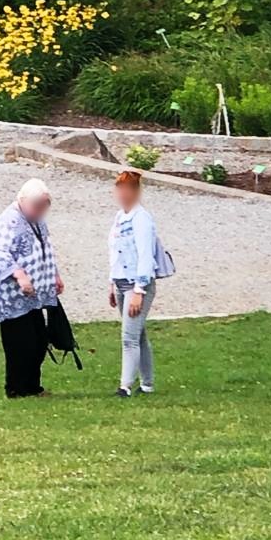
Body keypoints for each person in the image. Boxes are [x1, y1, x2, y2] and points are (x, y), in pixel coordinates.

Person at [0, 179, 64, 398]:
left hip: (32, 295)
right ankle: (16, 388)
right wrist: (19, 275)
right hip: (11, 294)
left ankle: (32, 386)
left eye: (44, 206)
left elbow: (45, 248)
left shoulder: (36, 220)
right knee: (20, 343)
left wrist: (54, 275)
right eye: (37, 205)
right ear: (22, 200)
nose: (40, 210)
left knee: (38, 341)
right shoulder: (9, 221)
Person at [108, 170, 157, 398]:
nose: (123, 194)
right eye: (120, 189)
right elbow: (115, 252)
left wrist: (139, 289)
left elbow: (145, 256)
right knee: (138, 334)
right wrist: (111, 283)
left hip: (136, 285)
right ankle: (147, 383)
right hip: (120, 283)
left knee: (129, 337)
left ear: (136, 192)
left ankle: (125, 386)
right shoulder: (119, 217)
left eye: (128, 189)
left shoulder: (141, 218)